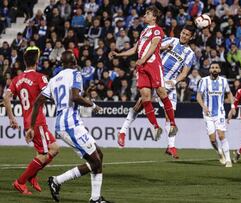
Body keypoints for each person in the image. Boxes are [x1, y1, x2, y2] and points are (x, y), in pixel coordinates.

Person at [26, 51, 110, 203]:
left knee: (99, 155)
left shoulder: (53, 80)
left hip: (68, 123)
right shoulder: (76, 74)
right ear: (74, 61)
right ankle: (57, 181)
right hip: (69, 124)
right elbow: (75, 97)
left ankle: (96, 198)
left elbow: (38, 102)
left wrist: (31, 127)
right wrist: (93, 105)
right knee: (95, 162)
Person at [117, 25, 196, 159]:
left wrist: (174, 82)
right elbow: (152, 48)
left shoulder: (190, 54)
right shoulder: (170, 40)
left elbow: (184, 73)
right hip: (155, 75)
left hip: (170, 82)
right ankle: (123, 131)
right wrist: (164, 48)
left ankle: (171, 147)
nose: (184, 36)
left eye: (187, 35)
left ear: (191, 37)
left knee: (169, 115)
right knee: (140, 104)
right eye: (183, 33)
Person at [111, 6, 177, 141]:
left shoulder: (158, 30)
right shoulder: (143, 31)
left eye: (148, 14)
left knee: (161, 93)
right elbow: (136, 48)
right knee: (145, 98)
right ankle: (155, 126)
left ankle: (172, 123)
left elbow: (153, 46)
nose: (145, 15)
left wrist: (143, 59)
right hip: (142, 67)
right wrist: (119, 54)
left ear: (154, 17)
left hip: (152, 65)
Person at [3, 46, 59, 195]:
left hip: (28, 120)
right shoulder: (40, 77)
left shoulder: (17, 79)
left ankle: (31, 175)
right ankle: (21, 181)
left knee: (54, 148)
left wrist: (11, 118)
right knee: (48, 152)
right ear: (37, 61)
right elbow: (49, 95)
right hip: (37, 121)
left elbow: (5, 98)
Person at [196, 62, 234, 167]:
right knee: (212, 139)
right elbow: (198, 96)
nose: (214, 69)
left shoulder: (223, 81)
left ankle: (228, 160)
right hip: (207, 114)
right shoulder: (204, 81)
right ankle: (219, 152)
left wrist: (233, 107)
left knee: (221, 135)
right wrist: (204, 107)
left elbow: (229, 93)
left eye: (216, 68)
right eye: (212, 68)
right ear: (209, 70)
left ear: (220, 70)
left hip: (220, 113)